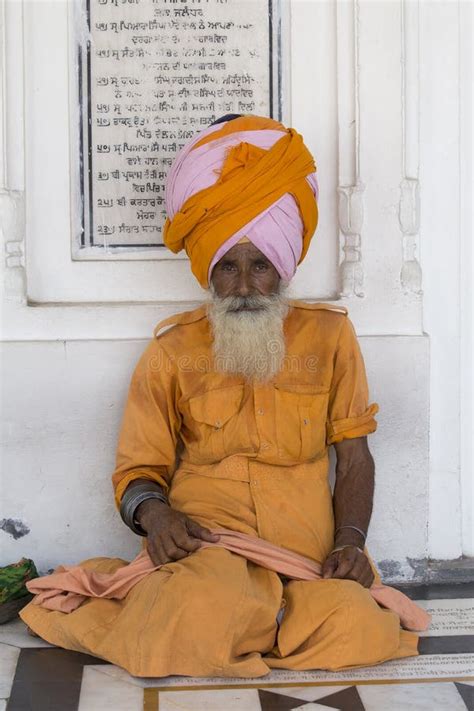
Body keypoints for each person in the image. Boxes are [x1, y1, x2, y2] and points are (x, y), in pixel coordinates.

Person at [20, 114, 419, 677]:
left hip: (307, 556)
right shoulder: (173, 349)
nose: (244, 285)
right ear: (208, 270)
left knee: (357, 627)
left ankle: (251, 623)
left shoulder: (331, 337)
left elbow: (354, 457)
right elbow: (139, 468)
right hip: (208, 548)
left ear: (283, 265)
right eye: (227, 266)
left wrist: (352, 542)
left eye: (260, 265)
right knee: (196, 606)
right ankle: (259, 623)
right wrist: (156, 519)